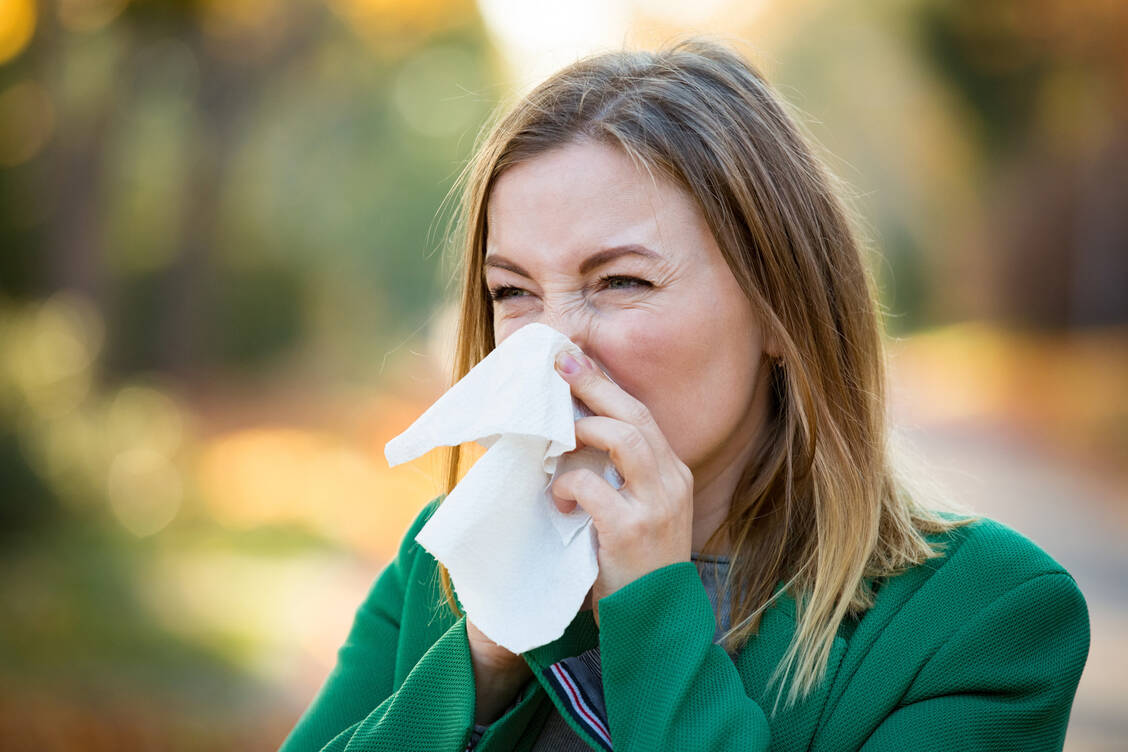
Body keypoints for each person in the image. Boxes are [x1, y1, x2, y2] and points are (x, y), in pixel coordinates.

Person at [277, 37, 1090, 752]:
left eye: (621, 280)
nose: (551, 348)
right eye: (513, 291)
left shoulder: (987, 619)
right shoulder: (444, 572)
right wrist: (477, 665)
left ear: (781, 307)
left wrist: (654, 613)